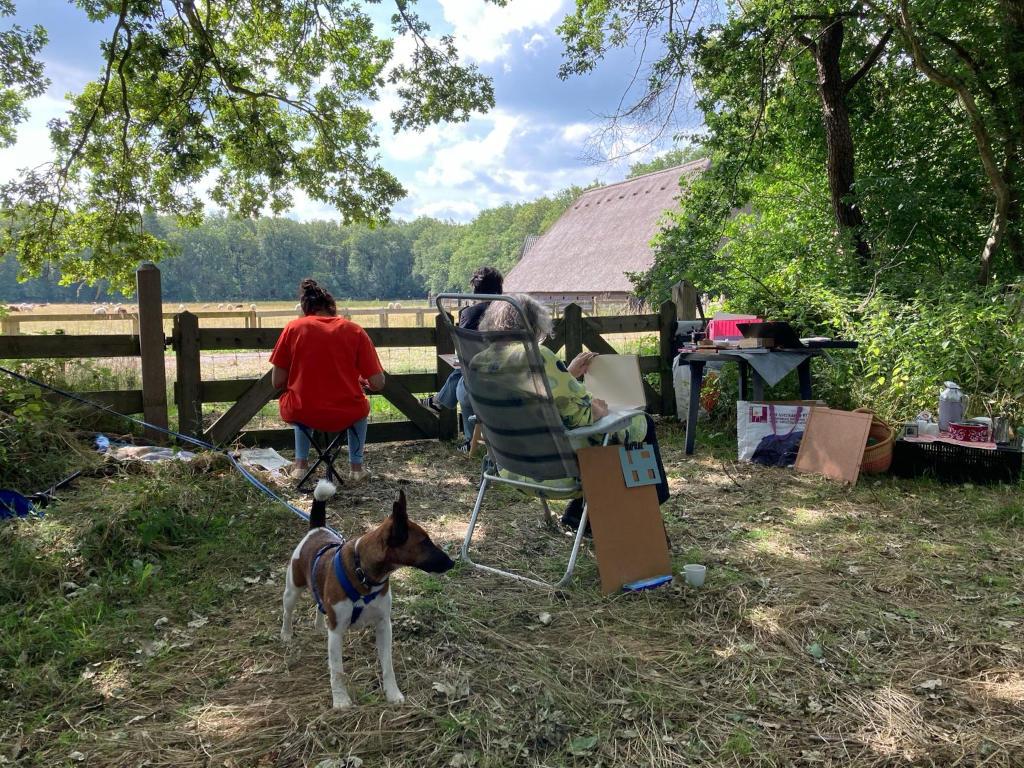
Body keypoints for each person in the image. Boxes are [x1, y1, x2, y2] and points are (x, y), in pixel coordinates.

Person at [477, 294, 670, 531]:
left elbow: (532, 400)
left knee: (609, 439)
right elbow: (581, 416)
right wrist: (598, 409)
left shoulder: (479, 362)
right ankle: (651, 502)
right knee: (639, 424)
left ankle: (577, 515)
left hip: (511, 466)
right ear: (533, 323)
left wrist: (567, 374)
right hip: (557, 471)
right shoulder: (537, 356)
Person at [270, 279, 386, 484]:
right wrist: (360, 381)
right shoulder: (354, 330)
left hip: (303, 410)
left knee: (298, 399)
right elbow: (378, 382)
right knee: (361, 405)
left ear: (306, 309)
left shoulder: (293, 328)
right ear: (332, 307)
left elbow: (277, 381)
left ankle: (300, 465)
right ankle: (356, 468)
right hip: (346, 411)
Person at [421, 266, 504, 447]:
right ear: (499, 287)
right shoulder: (510, 312)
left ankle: (468, 440)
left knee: (464, 376)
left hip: (475, 385)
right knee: (466, 373)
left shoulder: (469, 314)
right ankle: (439, 402)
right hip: (511, 379)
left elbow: (465, 353)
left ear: (475, 288)